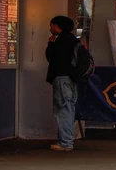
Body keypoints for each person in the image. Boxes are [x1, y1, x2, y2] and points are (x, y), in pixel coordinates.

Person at [46, 15, 80, 152]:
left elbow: (52, 58)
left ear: (57, 26)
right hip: (72, 79)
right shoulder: (73, 40)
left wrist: (50, 44)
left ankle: (65, 142)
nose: (50, 28)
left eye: (51, 25)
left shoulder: (60, 41)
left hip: (62, 79)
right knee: (69, 109)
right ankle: (67, 140)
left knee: (63, 109)